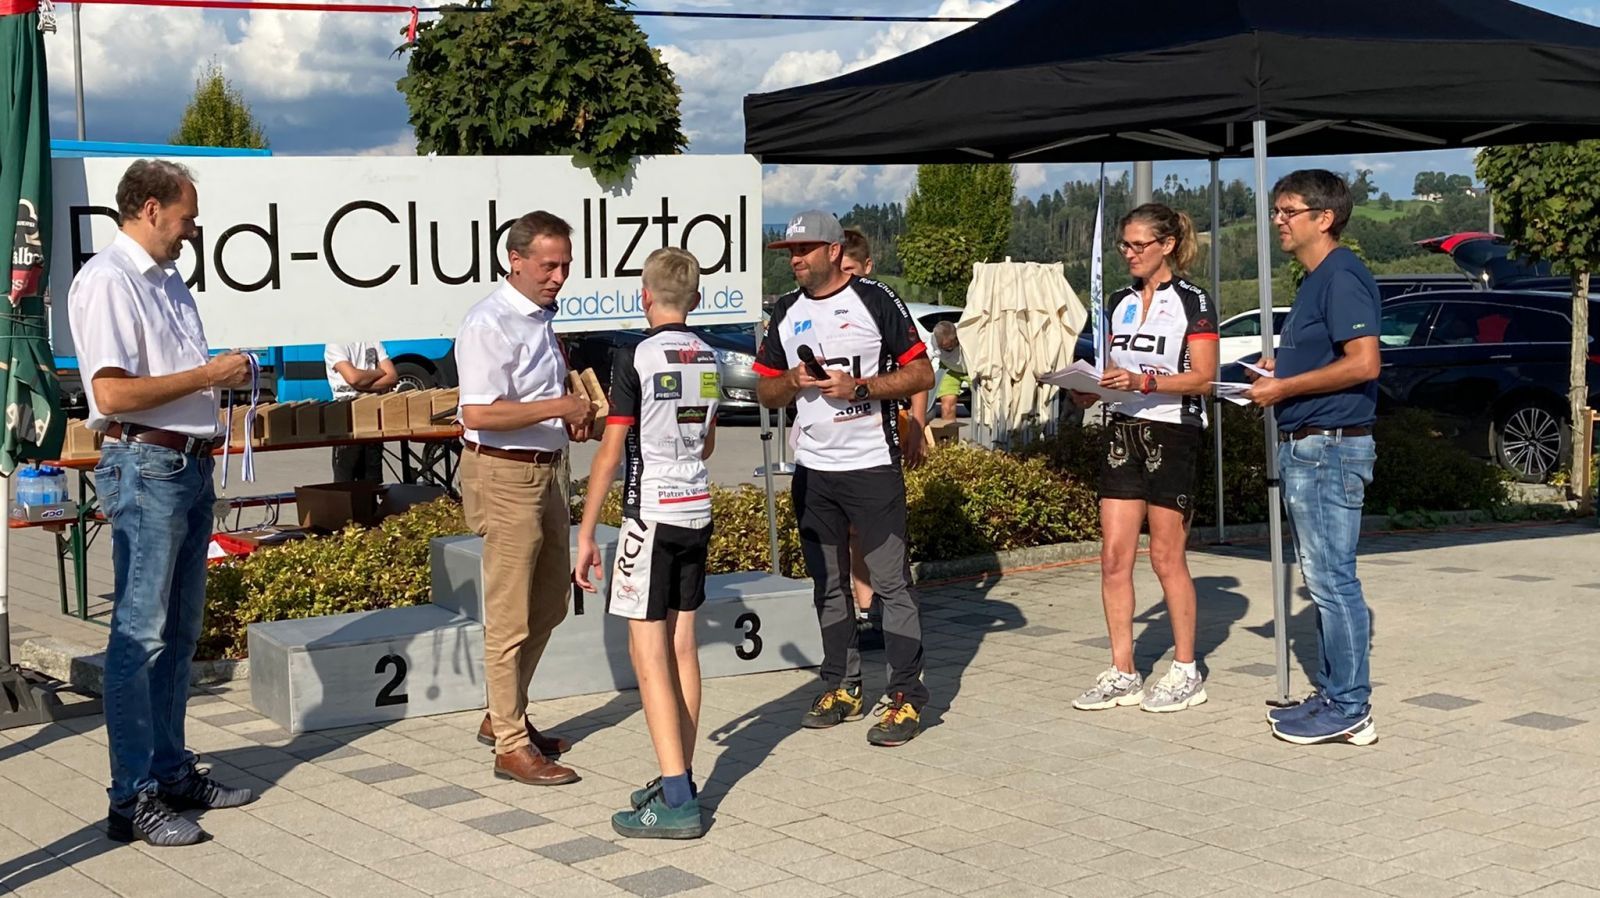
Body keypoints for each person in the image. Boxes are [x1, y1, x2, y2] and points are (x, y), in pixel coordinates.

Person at [68, 159, 256, 847]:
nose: (192, 230)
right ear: (150, 209)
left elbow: (168, 381)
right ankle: (131, 798)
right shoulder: (109, 280)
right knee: (140, 637)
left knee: (178, 633)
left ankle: (170, 771)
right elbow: (111, 394)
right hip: (147, 464)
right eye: (186, 217)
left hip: (184, 463)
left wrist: (219, 381)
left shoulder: (166, 280)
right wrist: (209, 373)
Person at [756, 210, 935, 747]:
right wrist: (792, 380)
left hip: (872, 466)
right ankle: (841, 685)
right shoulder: (785, 311)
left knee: (891, 583)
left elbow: (922, 372)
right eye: (790, 252)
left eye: (804, 249)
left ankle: (906, 695)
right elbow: (764, 391)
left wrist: (860, 388)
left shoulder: (875, 299)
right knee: (828, 585)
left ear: (834, 251)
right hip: (814, 471)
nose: (795, 259)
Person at [575, 247, 716, 840]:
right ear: (697, 299)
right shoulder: (708, 354)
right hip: (697, 506)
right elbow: (706, 442)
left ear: (644, 297)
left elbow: (612, 451)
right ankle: (680, 774)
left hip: (650, 514)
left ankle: (677, 798)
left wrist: (586, 531)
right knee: (683, 646)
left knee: (647, 651)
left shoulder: (634, 355)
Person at [1244, 170, 1382, 747]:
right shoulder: (1316, 279)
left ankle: (1350, 706)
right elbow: (1329, 358)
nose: (1278, 220)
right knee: (1325, 579)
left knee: (1332, 582)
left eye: (1289, 211)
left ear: (1324, 218)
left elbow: (1365, 363)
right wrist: (1282, 370)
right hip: (1314, 446)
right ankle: (1333, 694)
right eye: (1276, 211)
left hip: (1328, 447)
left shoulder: (1341, 275)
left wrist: (1284, 388)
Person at [456, 210, 594, 785]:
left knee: (551, 604)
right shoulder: (489, 322)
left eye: (565, 265)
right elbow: (478, 413)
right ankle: (511, 746)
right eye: (548, 265)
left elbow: (531, 400)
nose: (559, 276)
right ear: (515, 261)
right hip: (503, 474)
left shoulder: (539, 318)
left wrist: (568, 420)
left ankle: (504, 714)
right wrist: (558, 408)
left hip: (546, 470)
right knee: (510, 615)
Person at [1067, 203, 1217, 715]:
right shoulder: (1119, 301)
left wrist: (1144, 381)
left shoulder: (1193, 300)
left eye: (1138, 245)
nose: (1128, 254)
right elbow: (1112, 368)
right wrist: (1089, 388)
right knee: (1114, 556)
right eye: (1123, 245)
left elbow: (1204, 378)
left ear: (1167, 245)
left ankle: (1186, 669)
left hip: (1174, 429)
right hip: (1122, 428)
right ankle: (1123, 671)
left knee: (1165, 556)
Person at [837, 229, 926, 659]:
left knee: (881, 533)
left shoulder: (882, 304)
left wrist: (918, 426)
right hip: (836, 445)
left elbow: (918, 373)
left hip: (880, 436)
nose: (844, 278)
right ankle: (864, 609)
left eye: (850, 270)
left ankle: (887, 608)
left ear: (867, 267)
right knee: (850, 533)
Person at [325, 341, 398, 482]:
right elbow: (353, 378)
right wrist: (379, 372)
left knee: (372, 478)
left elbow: (392, 376)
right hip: (346, 413)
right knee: (346, 479)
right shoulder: (335, 343)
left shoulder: (373, 340)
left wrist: (361, 384)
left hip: (372, 412)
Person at [928, 321, 968, 422]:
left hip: (973, 369)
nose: (946, 350)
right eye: (942, 348)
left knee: (985, 404)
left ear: (956, 338)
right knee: (947, 406)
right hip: (949, 368)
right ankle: (949, 431)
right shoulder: (932, 341)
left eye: (949, 348)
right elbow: (925, 361)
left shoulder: (967, 333)